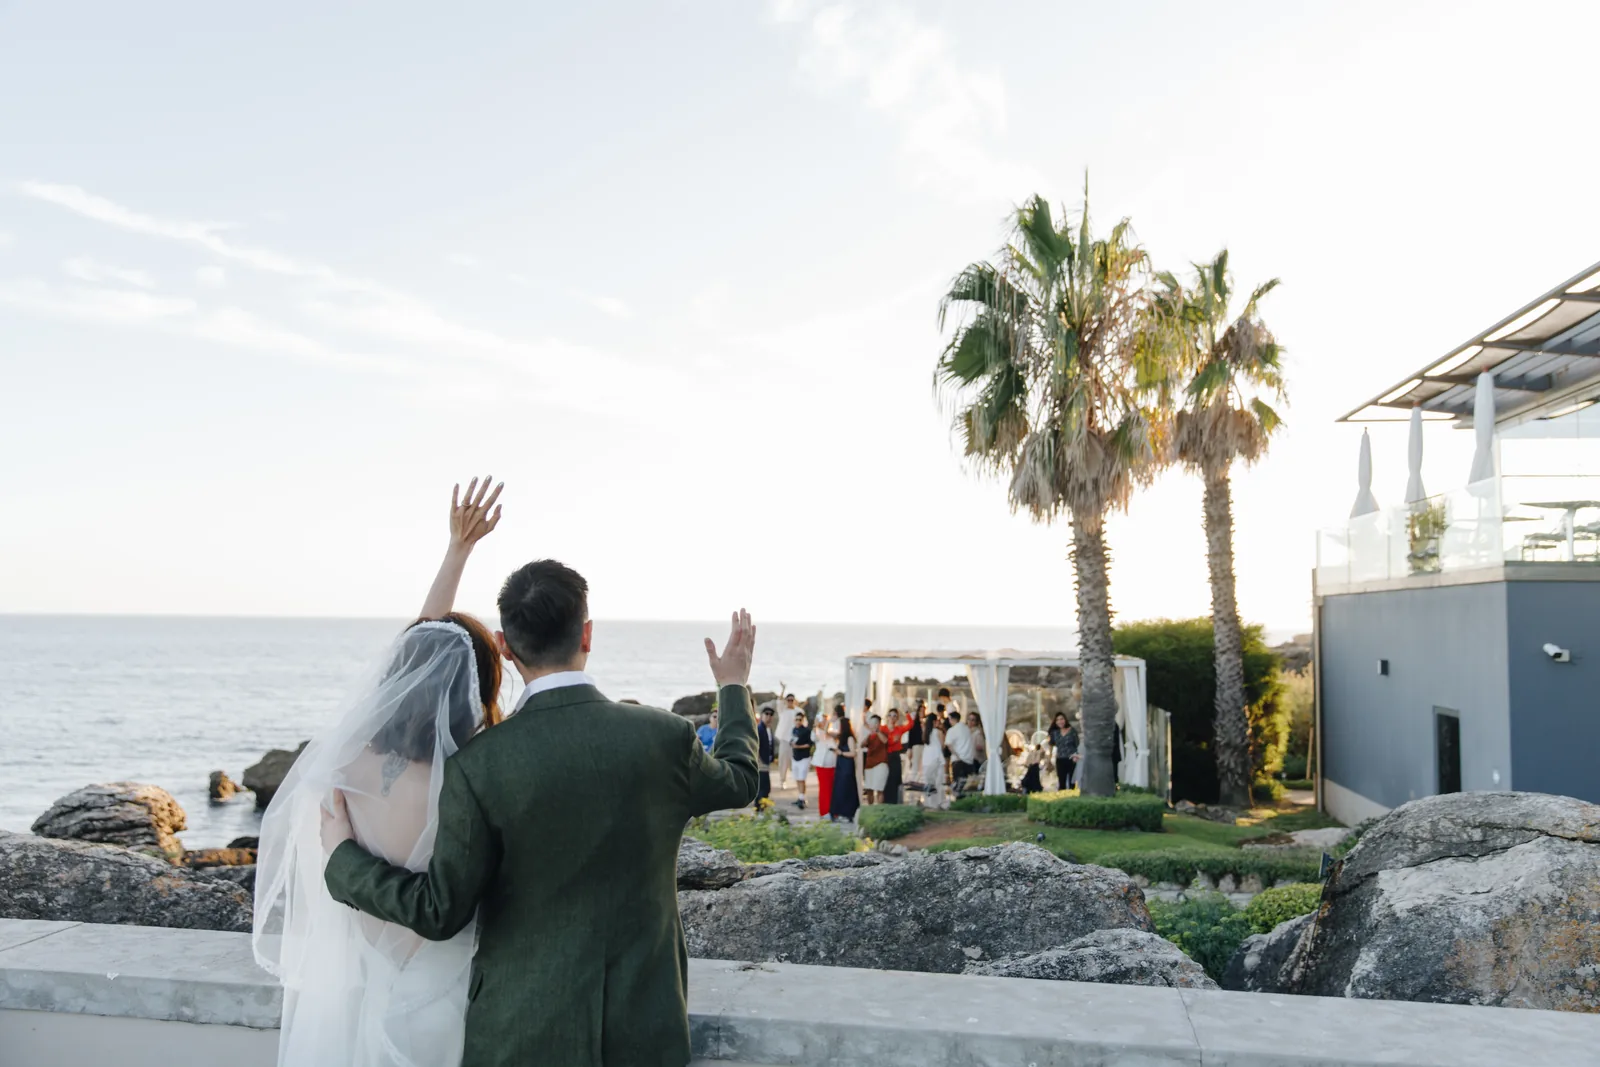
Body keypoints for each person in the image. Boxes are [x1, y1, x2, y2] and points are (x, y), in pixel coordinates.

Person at [318, 534, 762, 1066]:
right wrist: (734, 687)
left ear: (505, 645)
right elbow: (741, 780)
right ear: (588, 634)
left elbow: (438, 911)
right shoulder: (663, 737)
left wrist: (343, 858)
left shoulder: (478, 765)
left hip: (517, 1037)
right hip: (644, 1030)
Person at [256, 476, 507, 1067]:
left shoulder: (347, 759)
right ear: (474, 690)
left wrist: (456, 552)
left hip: (365, 986)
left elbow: (420, 653)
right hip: (445, 994)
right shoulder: (472, 776)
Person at [830, 717, 861, 822]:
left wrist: (842, 753)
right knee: (839, 789)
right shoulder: (841, 738)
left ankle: (848, 813)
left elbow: (853, 753)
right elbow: (827, 733)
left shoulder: (850, 738)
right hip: (841, 765)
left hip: (847, 766)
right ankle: (838, 812)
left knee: (846, 789)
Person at [813, 706, 839, 819]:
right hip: (822, 764)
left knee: (832, 788)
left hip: (832, 763)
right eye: (822, 719)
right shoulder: (817, 732)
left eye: (825, 719)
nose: (824, 721)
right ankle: (824, 811)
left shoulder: (833, 731)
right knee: (824, 788)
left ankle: (833, 810)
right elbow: (823, 736)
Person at [920, 711, 947, 810]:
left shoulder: (925, 732)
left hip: (927, 759)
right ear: (935, 721)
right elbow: (943, 745)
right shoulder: (938, 732)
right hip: (937, 758)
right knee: (938, 783)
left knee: (928, 782)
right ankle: (939, 803)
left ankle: (929, 802)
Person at [883, 707, 910, 804]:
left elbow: (910, 724)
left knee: (896, 777)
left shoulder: (899, 729)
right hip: (886, 756)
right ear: (887, 717)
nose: (892, 718)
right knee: (886, 777)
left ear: (897, 718)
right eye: (890, 715)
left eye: (894, 716)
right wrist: (892, 741)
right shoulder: (883, 729)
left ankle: (896, 800)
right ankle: (886, 800)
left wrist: (906, 712)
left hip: (895, 756)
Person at [861, 713, 889, 805]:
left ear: (879, 724)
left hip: (881, 763)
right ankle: (871, 809)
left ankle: (879, 809)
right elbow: (862, 744)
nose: (873, 725)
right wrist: (869, 733)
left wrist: (877, 731)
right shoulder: (870, 736)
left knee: (879, 788)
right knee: (869, 789)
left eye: (875, 723)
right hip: (869, 765)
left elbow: (885, 740)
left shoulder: (883, 732)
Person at [945, 708, 976, 787]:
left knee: (958, 786)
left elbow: (949, 745)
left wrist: (956, 755)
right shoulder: (966, 728)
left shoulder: (952, 730)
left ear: (951, 719)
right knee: (967, 787)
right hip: (969, 761)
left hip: (958, 761)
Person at [775, 692, 800, 788]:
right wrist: (783, 689)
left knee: (796, 762)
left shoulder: (798, 711)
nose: (790, 702)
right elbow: (779, 701)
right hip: (785, 740)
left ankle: (798, 781)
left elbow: (803, 723)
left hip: (795, 740)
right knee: (783, 762)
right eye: (788, 700)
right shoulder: (782, 710)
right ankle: (783, 780)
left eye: (792, 700)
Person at [1049, 712, 1079, 791]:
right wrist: (1049, 758)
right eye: (1057, 720)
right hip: (1060, 759)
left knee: (1072, 783)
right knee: (1061, 783)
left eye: (1061, 719)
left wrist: (1077, 756)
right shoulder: (1055, 733)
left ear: (1065, 720)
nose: (1060, 721)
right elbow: (1051, 745)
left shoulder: (1072, 731)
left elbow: (1077, 744)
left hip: (1072, 759)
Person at [789, 711, 814, 809]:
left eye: (800, 719)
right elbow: (791, 741)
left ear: (803, 720)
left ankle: (802, 798)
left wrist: (798, 746)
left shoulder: (807, 731)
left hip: (804, 757)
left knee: (802, 778)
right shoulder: (794, 730)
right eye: (796, 719)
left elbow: (809, 744)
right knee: (797, 778)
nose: (798, 721)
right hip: (795, 757)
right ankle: (800, 796)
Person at [756, 707, 776, 805]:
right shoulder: (759, 728)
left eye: (771, 714)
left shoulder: (769, 729)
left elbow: (770, 745)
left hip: (766, 761)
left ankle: (762, 808)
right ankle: (759, 809)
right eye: (766, 714)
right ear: (762, 715)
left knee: (765, 787)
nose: (769, 716)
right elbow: (756, 745)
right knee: (763, 787)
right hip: (760, 762)